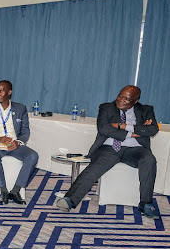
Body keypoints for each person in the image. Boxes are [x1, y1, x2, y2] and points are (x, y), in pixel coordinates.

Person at [56, 85, 160, 218]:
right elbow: (104, 129)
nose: (121, 100)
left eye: (126, 99)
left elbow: (152, 130)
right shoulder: (106, 107)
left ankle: (146, 203)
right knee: (96, 166)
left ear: (135, 101)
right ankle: (70, 199)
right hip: (109, 147)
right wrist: (135, 132)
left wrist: (122, 126)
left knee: (149, 159)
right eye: (120, 96)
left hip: (135, 149)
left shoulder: (146, 110)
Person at [0, 80, 39, 204]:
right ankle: (3, 190)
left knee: (33, 156)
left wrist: (18, 142)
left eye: (1, 91)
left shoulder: (21, 108)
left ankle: (15, 190)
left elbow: (25, 131)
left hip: (14, 144)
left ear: (9, 92)